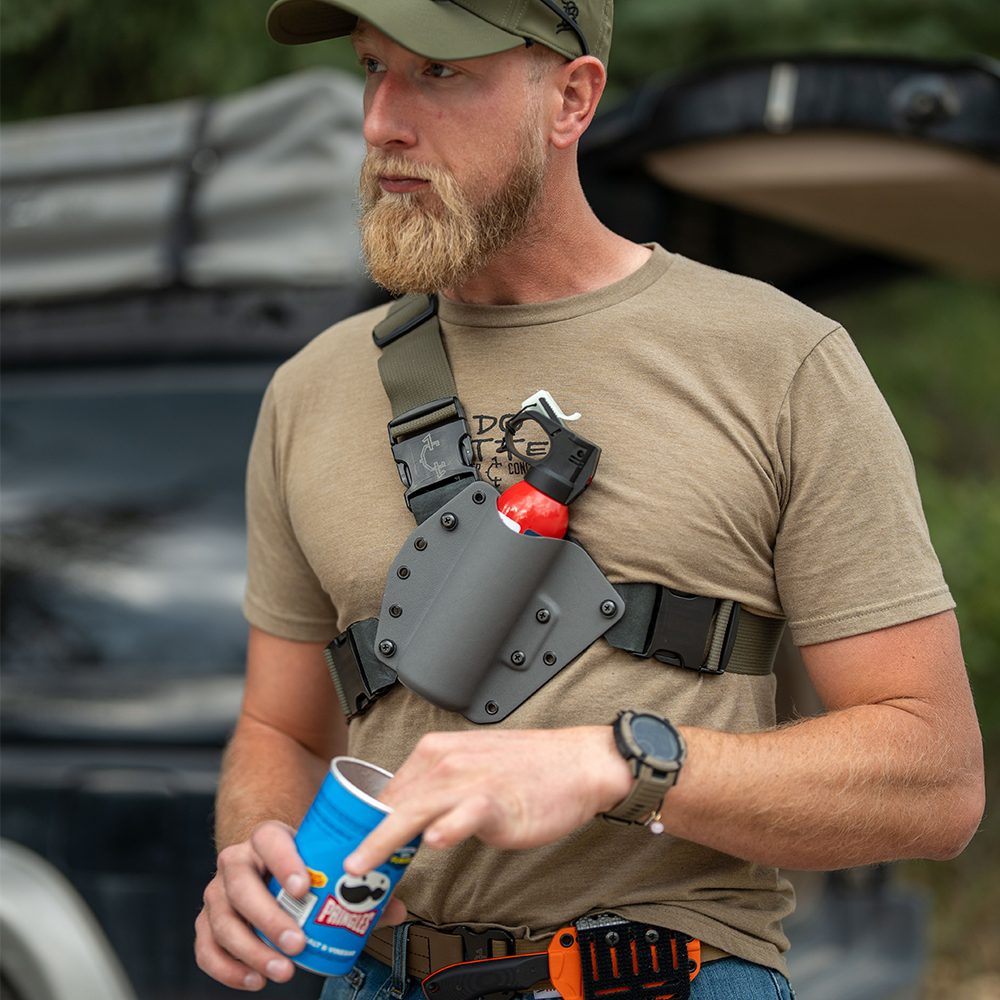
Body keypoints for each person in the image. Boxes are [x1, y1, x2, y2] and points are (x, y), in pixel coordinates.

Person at [194, 1, 986, 996]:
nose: (382, 122)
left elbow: (934, 780)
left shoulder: (779, 362)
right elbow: (283, 730)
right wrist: (255, 849)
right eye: (372, 67)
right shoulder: (309, 390)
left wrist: (619, 765)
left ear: (571, 99)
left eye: (439, 71)